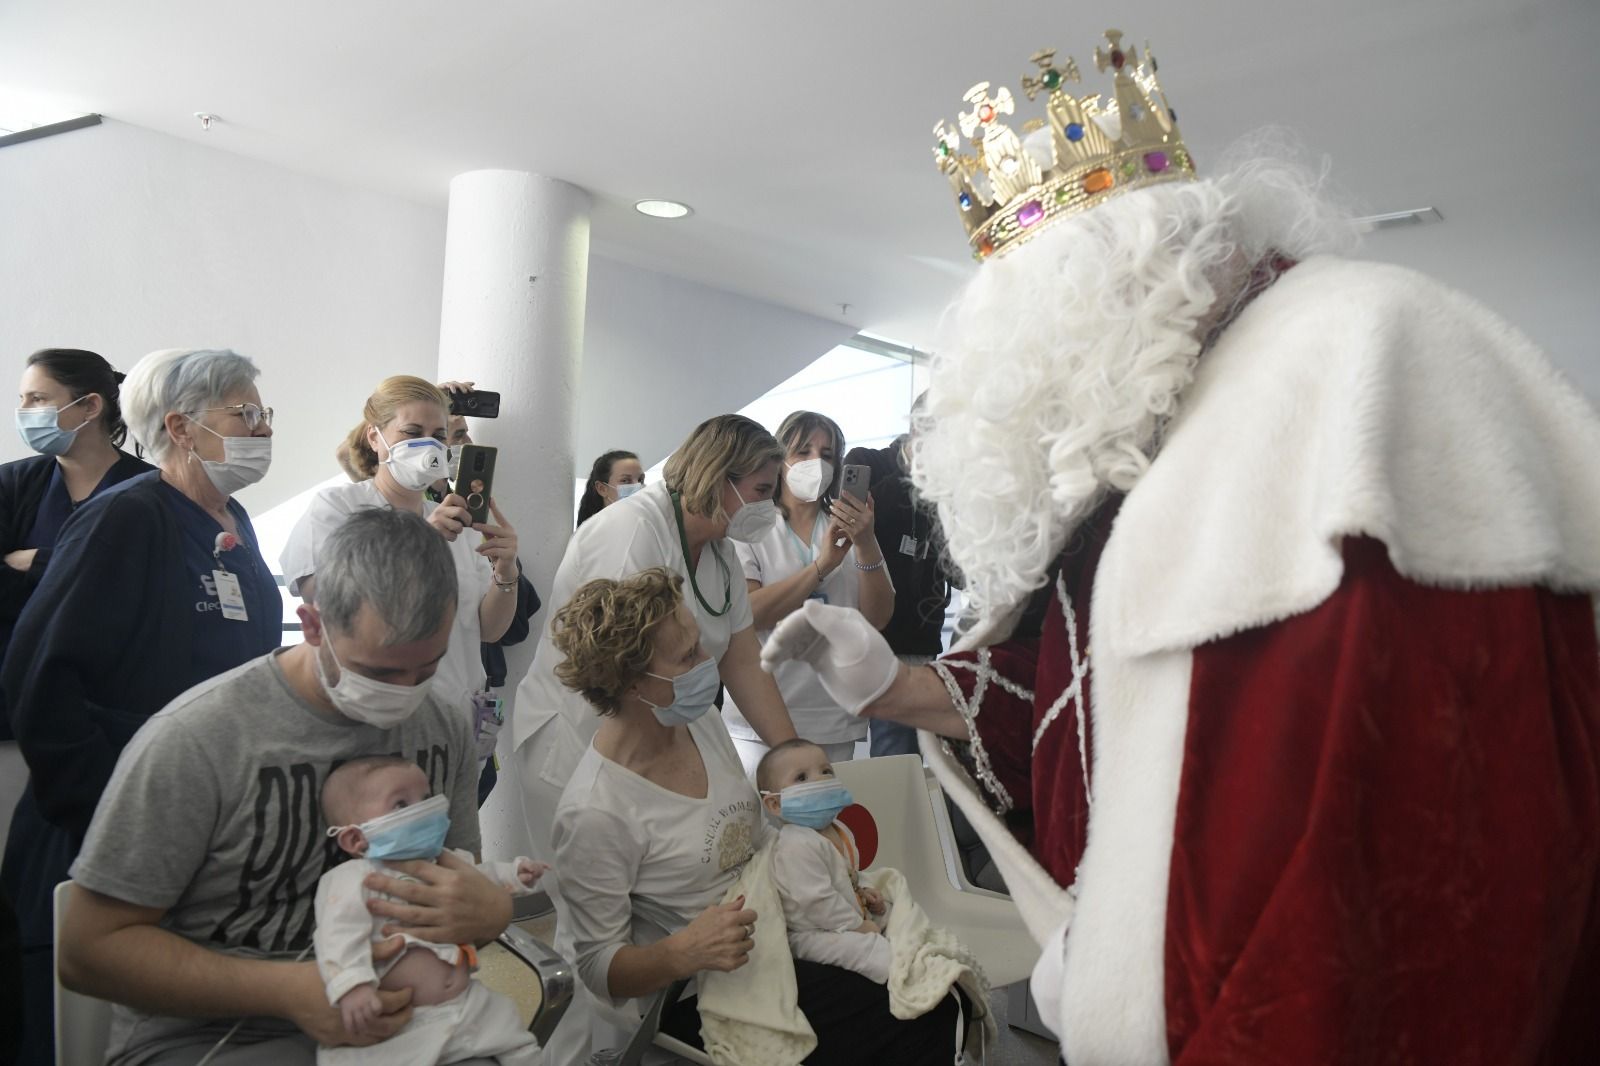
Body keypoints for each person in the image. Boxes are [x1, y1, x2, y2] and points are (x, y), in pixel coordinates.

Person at [761, 29, 1600, 1064]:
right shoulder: (1158, 436)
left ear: (1080, 299)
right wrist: (898, 685)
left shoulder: (1350, 363)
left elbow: (1387, 863)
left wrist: (1139, 971)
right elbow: (1087, 696)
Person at [58, 508, 513, 1065]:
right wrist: (289, 991)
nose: (405, 695)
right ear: (314, 624)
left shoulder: (441, 725)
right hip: (219, 1032)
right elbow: (86, 952)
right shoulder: (199, 741)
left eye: (426, 668)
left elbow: (451, 891)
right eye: (381, 672)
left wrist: (489, 913)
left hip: (404, 1021)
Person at [547, 568, 960, 1065]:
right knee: (913, 1014)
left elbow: (756, 836)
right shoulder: (596, 812)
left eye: (701, 644)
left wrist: (836, 882)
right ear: (634, 683)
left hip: (780, 933)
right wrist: (683, 951)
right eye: (687, 656)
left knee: (934, 986)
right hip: (705, 986)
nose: (708, 663)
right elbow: (595, 966)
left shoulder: (696, 722)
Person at [1, 347, 280, 1066]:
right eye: (243, 414)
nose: (262, 428)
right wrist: (110, 814)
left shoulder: (234, 520)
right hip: (98, 837)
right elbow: (40, 681)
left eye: (263, 413)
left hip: (198, 840)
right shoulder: (125, 518)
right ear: (182, 428)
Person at [512, 414, 799, 875]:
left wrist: (793, 756)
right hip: (583, 736)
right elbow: (619, 669)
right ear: (717, 475)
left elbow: (743, 662)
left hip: (663, 725)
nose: (771, 507)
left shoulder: (722, 552)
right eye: (762, 492)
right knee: (602, 909)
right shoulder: (633, 532)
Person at [281, 376, 521, 769]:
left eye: (437, 434)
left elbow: (488, 630)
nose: (428, 444)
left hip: (458, 727)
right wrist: (421, 539)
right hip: (376, 728)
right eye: (412, 432)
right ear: (375, 438)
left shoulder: (453, 521)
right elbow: (333, 605)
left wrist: (506, 571)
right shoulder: (338, 509)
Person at [315, 755, 544, 1066]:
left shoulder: (443, 860)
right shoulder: (353, 880)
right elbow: (336, 936)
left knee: (520, 1044)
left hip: (469, 1005)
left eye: (425, 798)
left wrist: (514, 874)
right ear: (355, 838)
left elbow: (480, 879)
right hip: (403, 1021)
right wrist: (352, 986)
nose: (424, 810)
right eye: (400, 804)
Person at [723, 411, 892, 776]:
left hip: (833, 714)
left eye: (827, 454)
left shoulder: (848, 528)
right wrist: (822, 566)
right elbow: (749, 613)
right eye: (802, 451)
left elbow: (877, 618)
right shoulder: (750, 527)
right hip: (759, 716)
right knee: (759, 822)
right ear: (779, 459)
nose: (816, 462)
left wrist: (865, 543)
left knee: (824, 826)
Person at [841, 393, 959, 758]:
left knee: (923, 762)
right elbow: (847, 532)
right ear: (916, 429)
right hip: (875, 639)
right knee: (893, 759)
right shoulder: (867, 464)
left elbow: (957, 571)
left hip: (924, 644)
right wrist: (913, 478)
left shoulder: (950, 488)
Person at [754, 739, 891, 983]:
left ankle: (899, 942)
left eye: (826, 771)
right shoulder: (794, 845)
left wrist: (863, 892)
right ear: (775, 803)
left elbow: (847, 876)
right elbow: (817, 902)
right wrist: (857, 926)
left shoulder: (839, 830)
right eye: (802, 778)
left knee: (893, 907)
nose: (819, 780)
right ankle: (903, 976)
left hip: (844, 916)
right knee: (872, 952)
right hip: (810, 932)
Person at [574, 449, 645, 527]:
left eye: (640, 480)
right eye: (625, 480)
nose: (638, 486)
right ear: (602, 489)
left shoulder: (641, 523)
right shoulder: (593, 530)